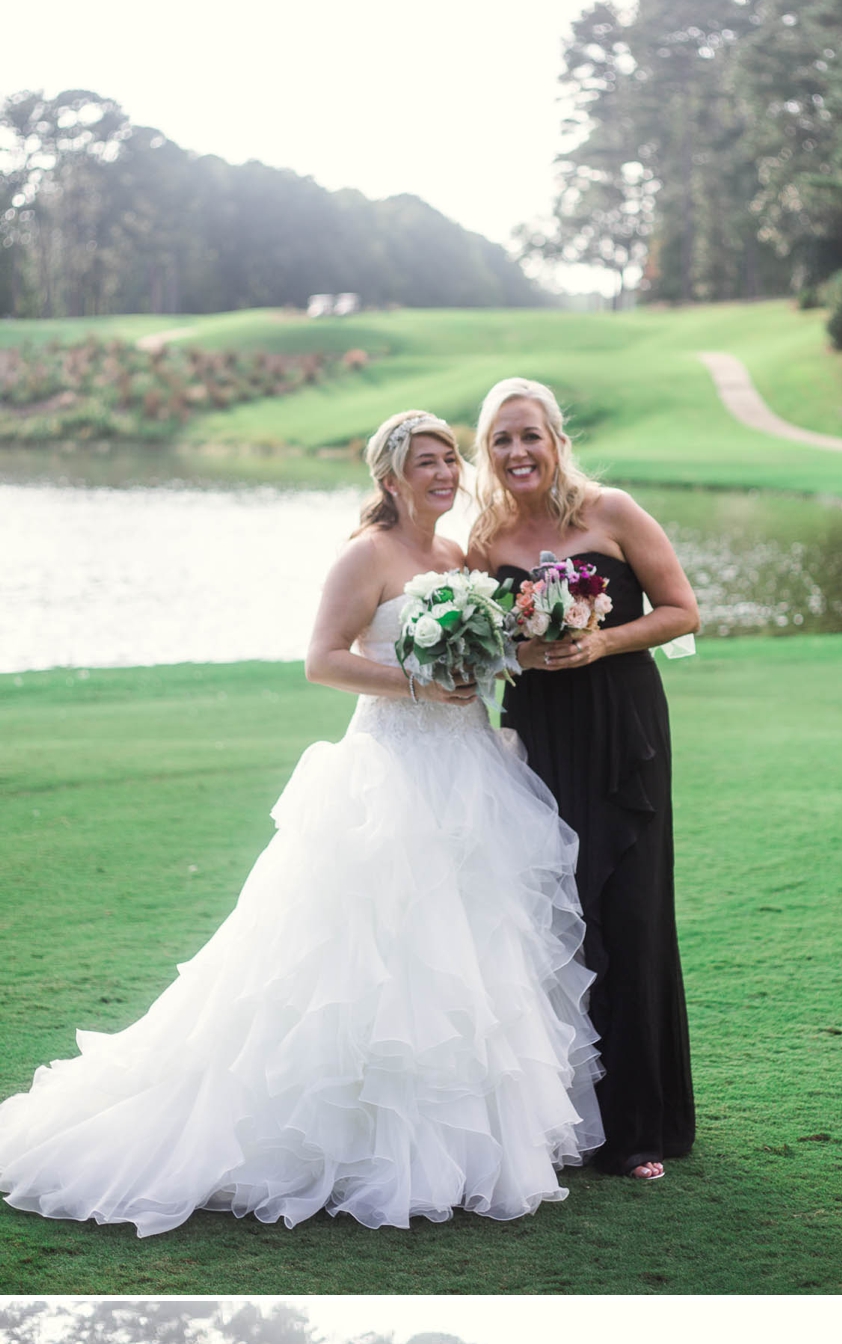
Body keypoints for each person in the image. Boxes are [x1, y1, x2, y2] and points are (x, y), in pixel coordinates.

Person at [0, 411, 599, 1232]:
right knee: (374, 958)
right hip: (390, 770)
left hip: (469, 770)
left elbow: (477, 656)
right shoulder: (366, 555)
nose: (445, 474)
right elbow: (322, 659)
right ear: (390, 478)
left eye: (451, 460)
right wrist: (417, 685)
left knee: (469, 954)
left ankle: (462, 1151)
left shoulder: (457, 555)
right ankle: (344, 1145)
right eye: (426, 463)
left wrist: (520, 647)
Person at [472, 378, 698, 1181]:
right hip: (539, 737)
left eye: (529, 435)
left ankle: (642, 1129)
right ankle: (571, 1120)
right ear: (487, 452)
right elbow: (481, 644)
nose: (517, 452)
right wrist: (520, 653)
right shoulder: (485, 535)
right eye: (501, 440)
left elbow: (682, 611)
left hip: (622, 730)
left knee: (630, 913)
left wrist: (602, 643)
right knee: (559, 919)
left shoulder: (612, 512)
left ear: (557, 439)